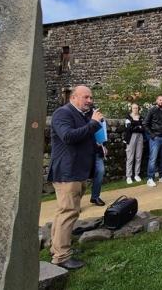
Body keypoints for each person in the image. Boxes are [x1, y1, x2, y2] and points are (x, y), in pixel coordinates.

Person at [48, 85, 103, 270]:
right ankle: (61, 256)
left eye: (91, 97)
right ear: (73, 97)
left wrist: (97, 145)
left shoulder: (81, 115)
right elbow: (69, 137)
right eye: (86, 97)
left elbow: (83, 139)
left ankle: (55, 247)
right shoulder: (62, 113)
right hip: (67, 172)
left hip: (77, 171)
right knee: (68, 212)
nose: (90, 100)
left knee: (65, 211)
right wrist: (94, 124)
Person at [144, 95, 162, 187]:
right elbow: (145, 124)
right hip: (155, 138)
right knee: (153, 159)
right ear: (156, 100)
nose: (161, 101)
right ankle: (150, 178)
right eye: (160, 100)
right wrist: (152, 135)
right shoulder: (152, 110)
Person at [123, 103, 144, 184]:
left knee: (138, 156)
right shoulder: (128, 117)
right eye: (134, 108)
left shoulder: (141, 117)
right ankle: (128, 176)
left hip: (140, 137)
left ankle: (136, 174)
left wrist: (136, 127)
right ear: (131, 109)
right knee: (130, 157)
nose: (135, 109)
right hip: (131, 137)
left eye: (137, 108)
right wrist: (138, 127)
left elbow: (143, 128)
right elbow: (129, 128)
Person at [90, 141, 107, 206]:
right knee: (81, 178)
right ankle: (75, 202)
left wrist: (104, 146)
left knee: (101, 171)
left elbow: (102, 133)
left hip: (97, 152)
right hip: (84, 152)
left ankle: (95, 197)